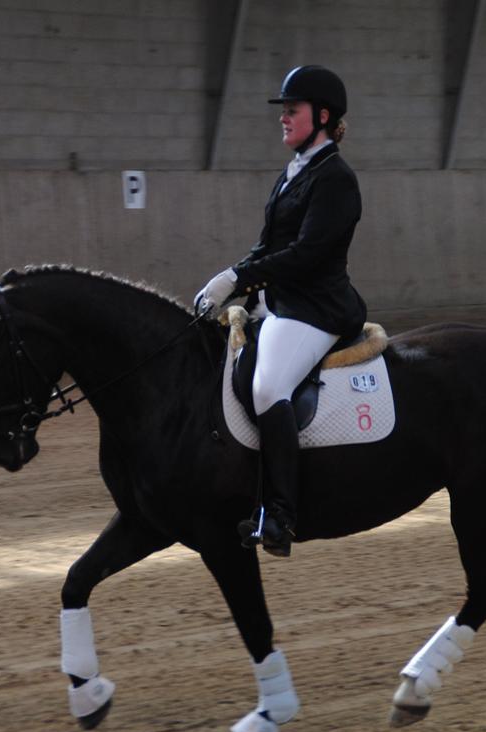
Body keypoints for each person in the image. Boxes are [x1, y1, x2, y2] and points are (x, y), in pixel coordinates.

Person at [194, 65, 367, 558]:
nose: (284, 118)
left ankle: (281, 515)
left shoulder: (336, 178)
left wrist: (239, 277)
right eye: (284, 111)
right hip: (279, 302)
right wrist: (229, 281)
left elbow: (308, 254)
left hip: (316, 309)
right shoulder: (295, 172)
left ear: (323, 115)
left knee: (270, 386)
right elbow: (270, 245)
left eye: (293, 110)